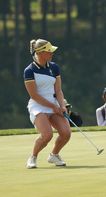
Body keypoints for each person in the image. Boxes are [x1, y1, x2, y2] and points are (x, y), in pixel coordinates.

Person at [24, 39, 71, 169]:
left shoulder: (54, 67)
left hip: (54, 105)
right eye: (48, 51)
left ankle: (54, 155)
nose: (51, 54)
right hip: (38, 106)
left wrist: (61, 105)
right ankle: (33, 157)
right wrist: (54, 107)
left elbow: (58, 90)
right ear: (39, 53)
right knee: (47, 135)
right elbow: (34, 95)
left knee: (66, 133)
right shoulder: (29, 70)